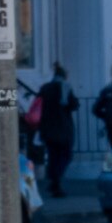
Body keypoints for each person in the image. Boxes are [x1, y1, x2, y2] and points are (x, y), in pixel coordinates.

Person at [33, 63, 79, 197]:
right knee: (66, 155)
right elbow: (73, 105)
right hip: (63, 128)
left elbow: (38, 104)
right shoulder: (66, 87)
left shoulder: (45, 88)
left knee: (53, 157)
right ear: (64, 76)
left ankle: (54, 182)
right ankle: (56, 181)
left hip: (47, 128)